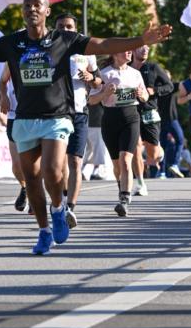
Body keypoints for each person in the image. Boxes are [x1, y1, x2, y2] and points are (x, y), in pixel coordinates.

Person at [0, 0, 171, 253]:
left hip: (56, 117)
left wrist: (140, 40)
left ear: (47, 11)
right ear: (23, 12)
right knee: (31, 179)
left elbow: (103, 45)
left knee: (52, 171)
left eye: (37, 5)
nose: (32, 9)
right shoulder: (12, 43)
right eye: (27, 6)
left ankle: (58, 207)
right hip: (25, 119)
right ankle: (44, 232)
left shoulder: (64, 40)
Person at [88, 51, 149, 216]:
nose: (130, 52)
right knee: (117, 165)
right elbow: (92, 100)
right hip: (110, 120)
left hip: (131, 119)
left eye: (131, 50)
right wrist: (105, 93)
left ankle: (124, 199)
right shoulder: (104, 73)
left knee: (125, 159)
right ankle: (121, 188)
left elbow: (145, 95)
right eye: (126, 50)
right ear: (115, 54)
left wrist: (143, 95)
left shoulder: (135, 74)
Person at [55, 12, 100, 228]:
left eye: (69, 26)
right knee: (58, 163)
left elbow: (98, 81)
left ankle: (70, 208)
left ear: (76, 28)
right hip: (55, 111)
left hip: (80, 111)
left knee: (75, 161)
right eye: (62, 26)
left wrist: (90, 78)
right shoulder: (48, 47)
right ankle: (61, 199)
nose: (66, 29)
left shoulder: (86, 48)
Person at [130, 45, 171, 193]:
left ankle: (158, 151)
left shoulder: (154, 67)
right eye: (141, 47)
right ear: (133, 50)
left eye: (147, 48)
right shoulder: (127, 68)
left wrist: (154, 91)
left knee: (153, 155)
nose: (145, 50)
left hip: (149, 111)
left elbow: (170, 86)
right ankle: (140, 183)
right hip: (132, 111)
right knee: (135, 147)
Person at [0, 64, 30, 212]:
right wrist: (4, 97)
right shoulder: (12, 58)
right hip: (14, 116)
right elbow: (2, 81)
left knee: (37, 162)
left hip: (36, 115)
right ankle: (26, 188)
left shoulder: (44, 54)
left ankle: (37, 194)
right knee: (17, 166)